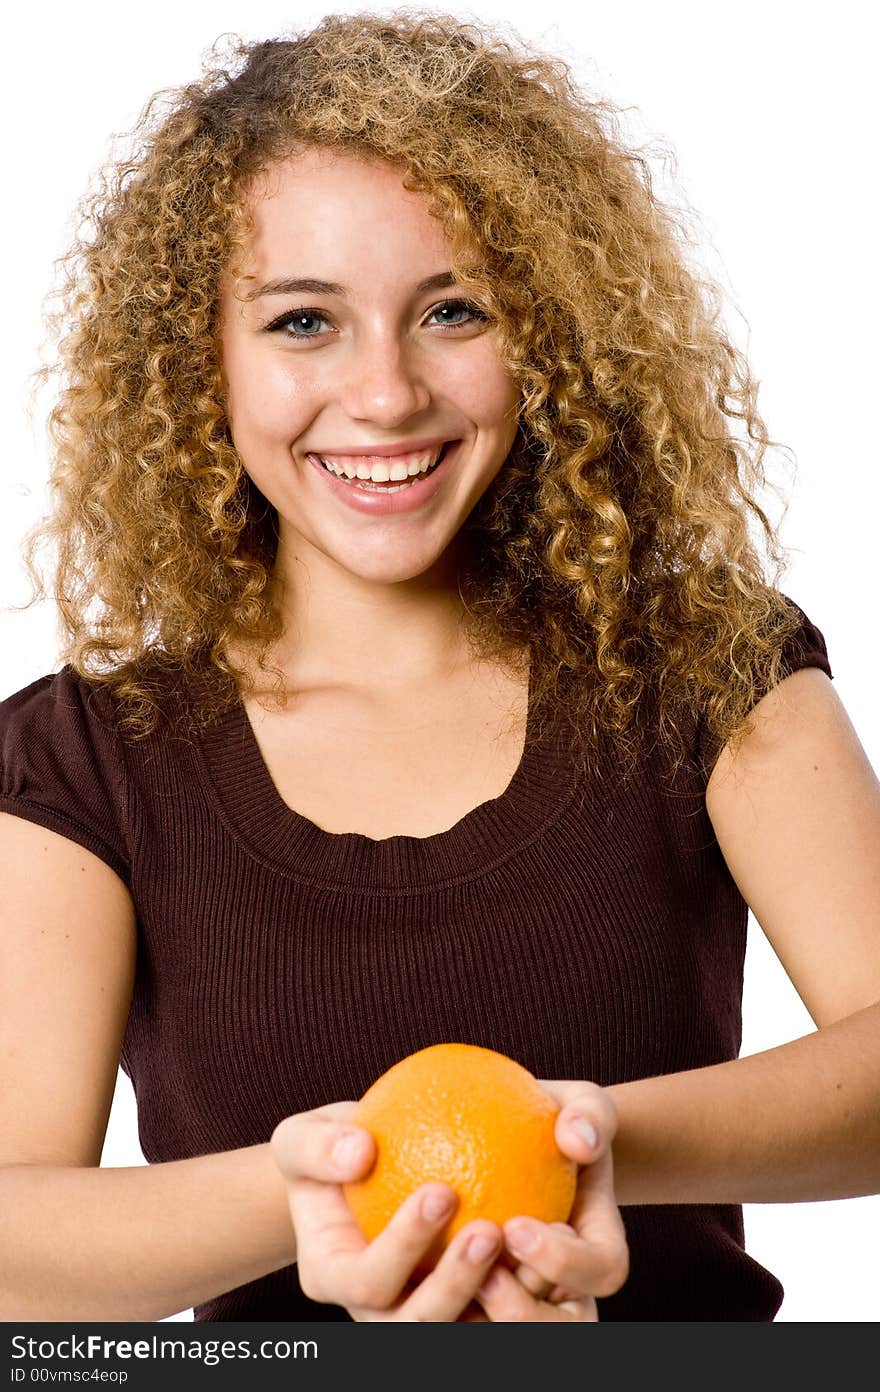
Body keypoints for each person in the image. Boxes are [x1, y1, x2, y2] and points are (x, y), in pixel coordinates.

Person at [1, 11, 878, 1324]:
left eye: (453, 309)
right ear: (204, 359)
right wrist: (337, 1189)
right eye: (304, 321)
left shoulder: (714, 672)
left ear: (549, 335)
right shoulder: (82, 759)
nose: (388, 393)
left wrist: (575, 1142)